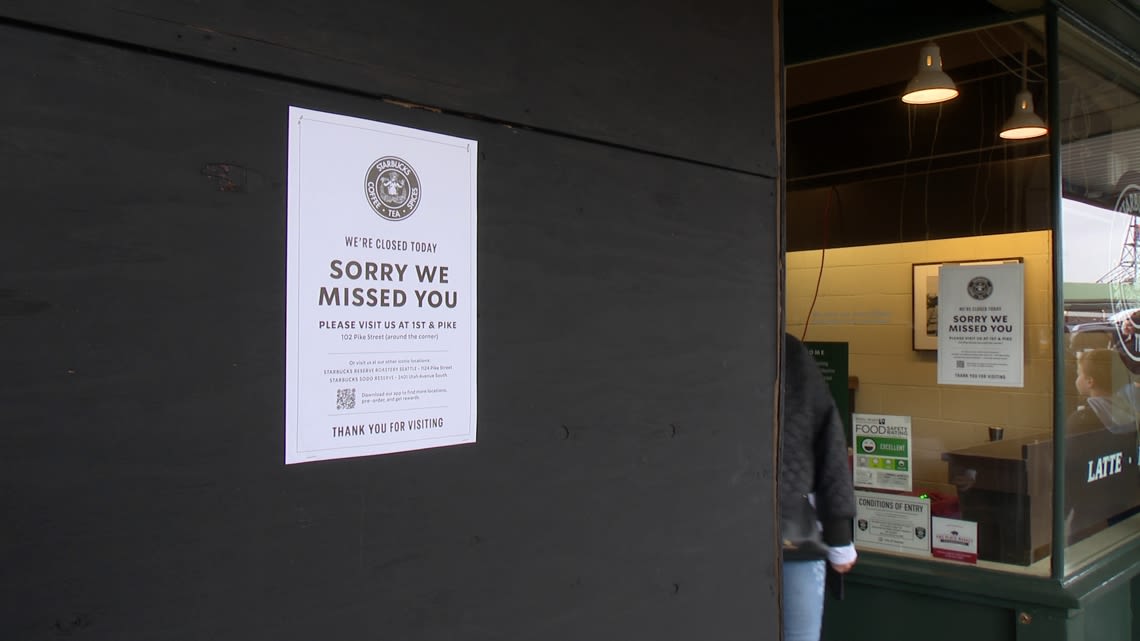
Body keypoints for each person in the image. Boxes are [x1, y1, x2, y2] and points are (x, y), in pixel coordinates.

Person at [780, 333, 858, 641]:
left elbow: (826, 439)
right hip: (786, 534)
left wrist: (838, 536)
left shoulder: (785, 350)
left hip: (790, 537)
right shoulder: (786, 348)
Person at [1068, 348, 1135, 434]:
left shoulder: (1081, 420)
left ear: (1089, 381)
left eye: (1079, 374)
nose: (1077, 378)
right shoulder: (1132, 413)